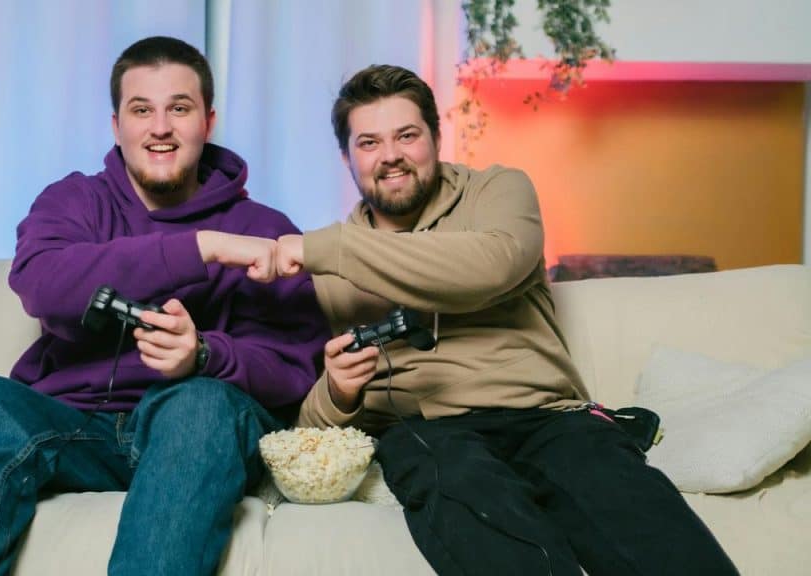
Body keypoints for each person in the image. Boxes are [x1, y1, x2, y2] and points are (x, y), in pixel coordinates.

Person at [274, 64, 738, 576]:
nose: (390, 156)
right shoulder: (329, 272)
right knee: (463, 491)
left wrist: (328, 248)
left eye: (407, 135)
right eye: (368, 143)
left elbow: (490, 266)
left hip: (545, 416)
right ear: (347, 157)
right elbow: (305, 435)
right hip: (431, 434)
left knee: (632, 507)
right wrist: (337, 393)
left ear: (435, 137)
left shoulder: (497, 193)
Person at [0, 36, 329, 576]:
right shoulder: (75, 201)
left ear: (208, 122)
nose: (160, 127)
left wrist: (203, 355)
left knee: (198, 405)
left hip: (197, 433)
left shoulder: (263, 230)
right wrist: (201, 247)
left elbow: (295, 368)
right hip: (77, 426)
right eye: (141, 110)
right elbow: (42, 284)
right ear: (116, 125)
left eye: (179, 108)